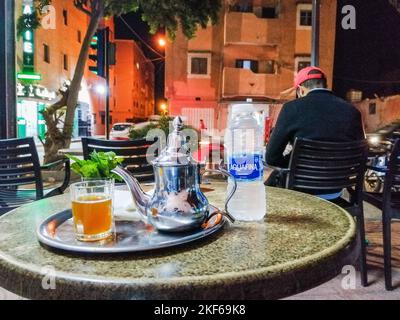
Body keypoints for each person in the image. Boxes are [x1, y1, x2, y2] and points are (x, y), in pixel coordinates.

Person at [265, 66, 365, 199]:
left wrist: (294, 162)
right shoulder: (352, 111)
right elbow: (358, 156)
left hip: (298, 192)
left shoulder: (291, 108)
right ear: (326, 85)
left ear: (300, 90)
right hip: (335, 191)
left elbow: (271, 157)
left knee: (270, 184)